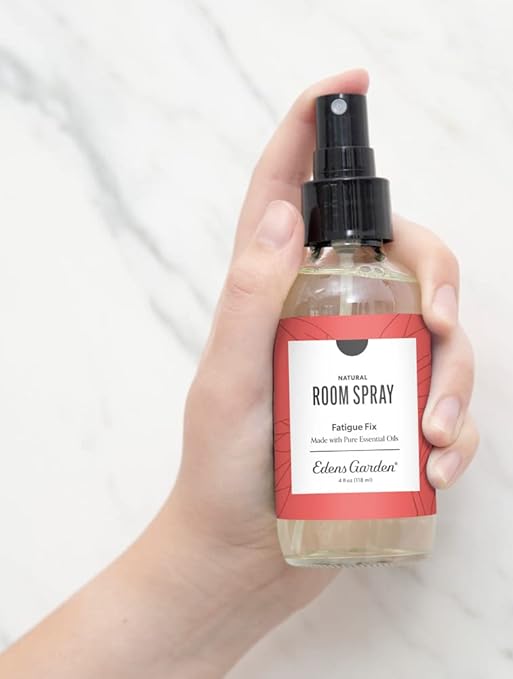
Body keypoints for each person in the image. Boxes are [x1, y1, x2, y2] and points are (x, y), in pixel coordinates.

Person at [0, 69, 478, 678]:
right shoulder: (301, 286)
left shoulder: (393, 285)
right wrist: (218, 555)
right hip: (283, 532)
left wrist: (231, 572)